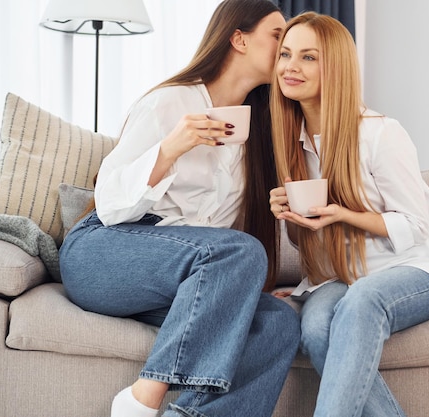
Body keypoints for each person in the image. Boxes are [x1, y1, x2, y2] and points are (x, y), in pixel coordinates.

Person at [59, 1, 300, 417]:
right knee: (239, 249)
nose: (286, 48)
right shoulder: (169, 105)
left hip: (180, 279)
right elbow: (112, 206)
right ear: (239, 39)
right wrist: (171, 148)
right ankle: (141, 399)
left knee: (278, 321)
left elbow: (222, 241)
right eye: (278, 36)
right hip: (103, 253)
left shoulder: (259, 133)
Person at [268, 12, 429, 417]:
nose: (290, 66)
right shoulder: (294, 140)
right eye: (286, 54)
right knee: (316, 327)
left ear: (334, 66)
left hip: (419, 267)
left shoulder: (379, 133)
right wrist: (287, 217)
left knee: (362, 302)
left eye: (308, 57)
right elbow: (316, 238)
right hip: (347, 275)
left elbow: (414, 226)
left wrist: (344, 214)